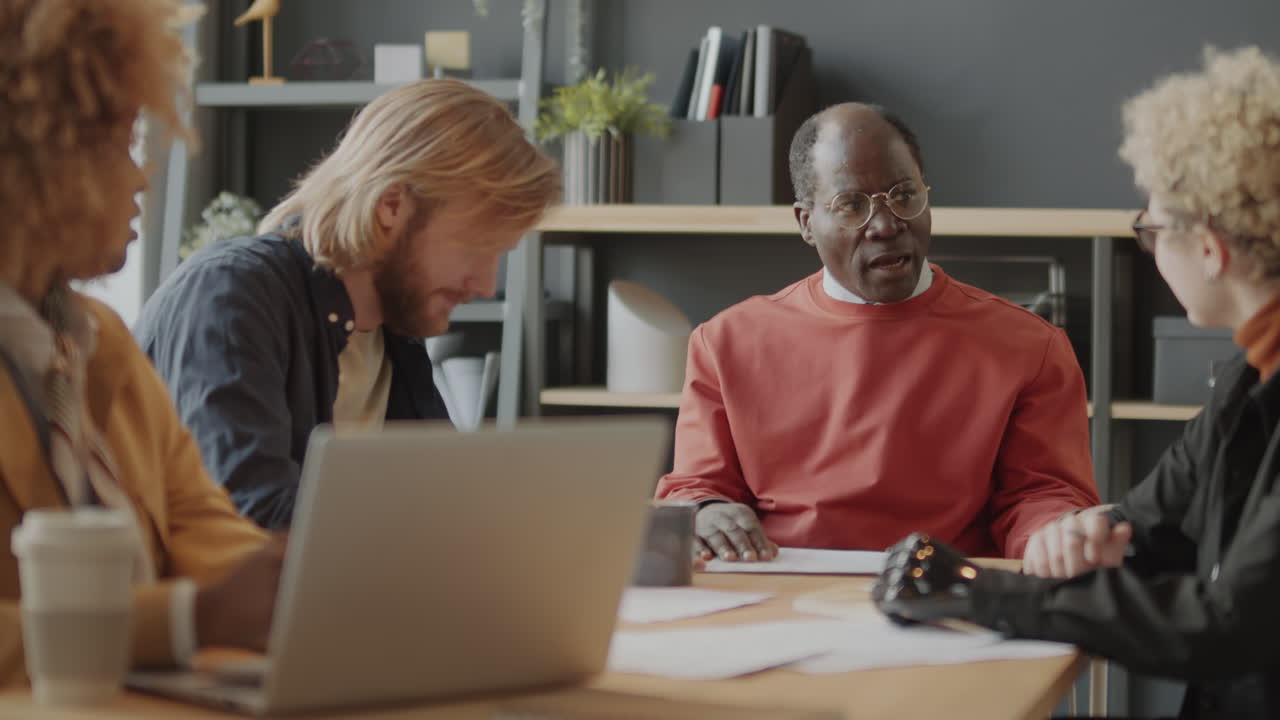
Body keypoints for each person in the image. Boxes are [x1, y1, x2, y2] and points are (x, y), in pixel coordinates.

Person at [875, 46, 1280, 719]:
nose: (1151, 252)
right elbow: (1152, 521)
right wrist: (1092, 530)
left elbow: (1227, 625)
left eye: (1151, 231)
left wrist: (976, 591)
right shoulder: (1248, 381)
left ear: (1209, 249)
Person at [655, 102, 1100, 563]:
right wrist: (706, 512)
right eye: (851, 206)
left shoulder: (1031, 347)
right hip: (781, 583)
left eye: (904, 195)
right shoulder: (726, 343)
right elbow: (698, 488)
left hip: (946, 590)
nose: (886, 226)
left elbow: (1041, 495)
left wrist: (1057, 533)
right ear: (806, 223)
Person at [0, 0, 283, 683]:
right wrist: (189, 621)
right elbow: (208, 608)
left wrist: (313, 589)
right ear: (30, 158)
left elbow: (208, 536)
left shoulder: (103, 344)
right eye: (119, 145)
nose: (141, 178)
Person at [134, 80, 561, 529]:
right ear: (391, 206)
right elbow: (249, 525)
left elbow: (444, 510)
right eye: (475, 247)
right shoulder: (230, 295)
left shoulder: (394, 330)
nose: (486, 283)